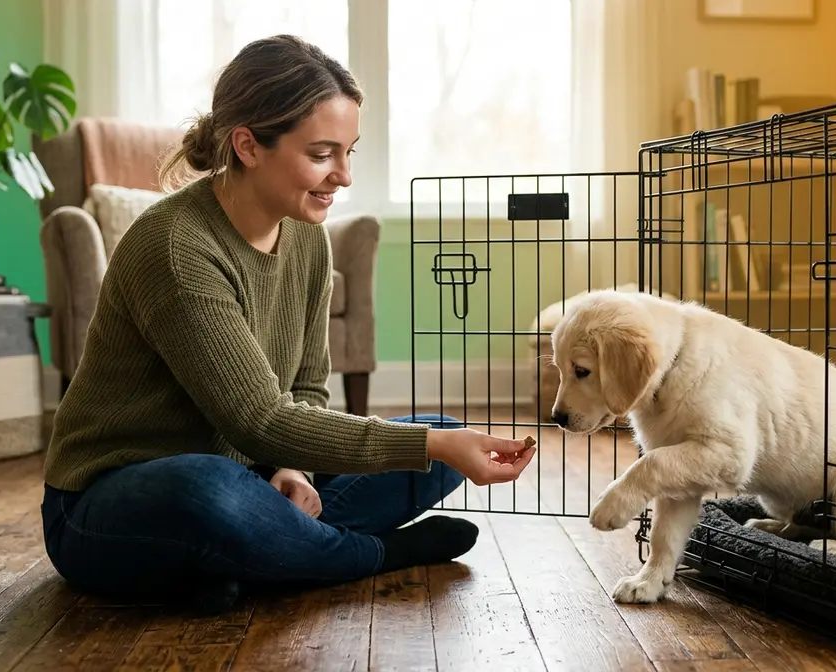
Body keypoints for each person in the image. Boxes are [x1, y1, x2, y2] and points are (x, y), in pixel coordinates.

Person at [38, 34, 537, 611]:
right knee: (210, 491)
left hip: (255, 475)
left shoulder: (308, 237)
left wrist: (293, 468)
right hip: (109, 501)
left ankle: (259, 558)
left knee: (438, 442)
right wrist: (428, 443)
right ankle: (370, 555)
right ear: (249, 146)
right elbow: (257, 419)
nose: (344, 176)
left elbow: (305, 389)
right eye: (323, 154)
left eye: (350, 152)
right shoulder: (176, 246)